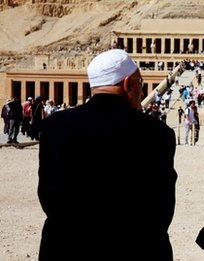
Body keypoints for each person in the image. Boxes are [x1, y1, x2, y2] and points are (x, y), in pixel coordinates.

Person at [38, 49, 177, 260]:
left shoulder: (55, 127)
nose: (141, 90)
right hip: (137, 249)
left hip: (65, 248)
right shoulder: (156, 133)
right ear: (128, 83)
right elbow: (161, 209)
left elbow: (49, 198)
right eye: (140, 83)